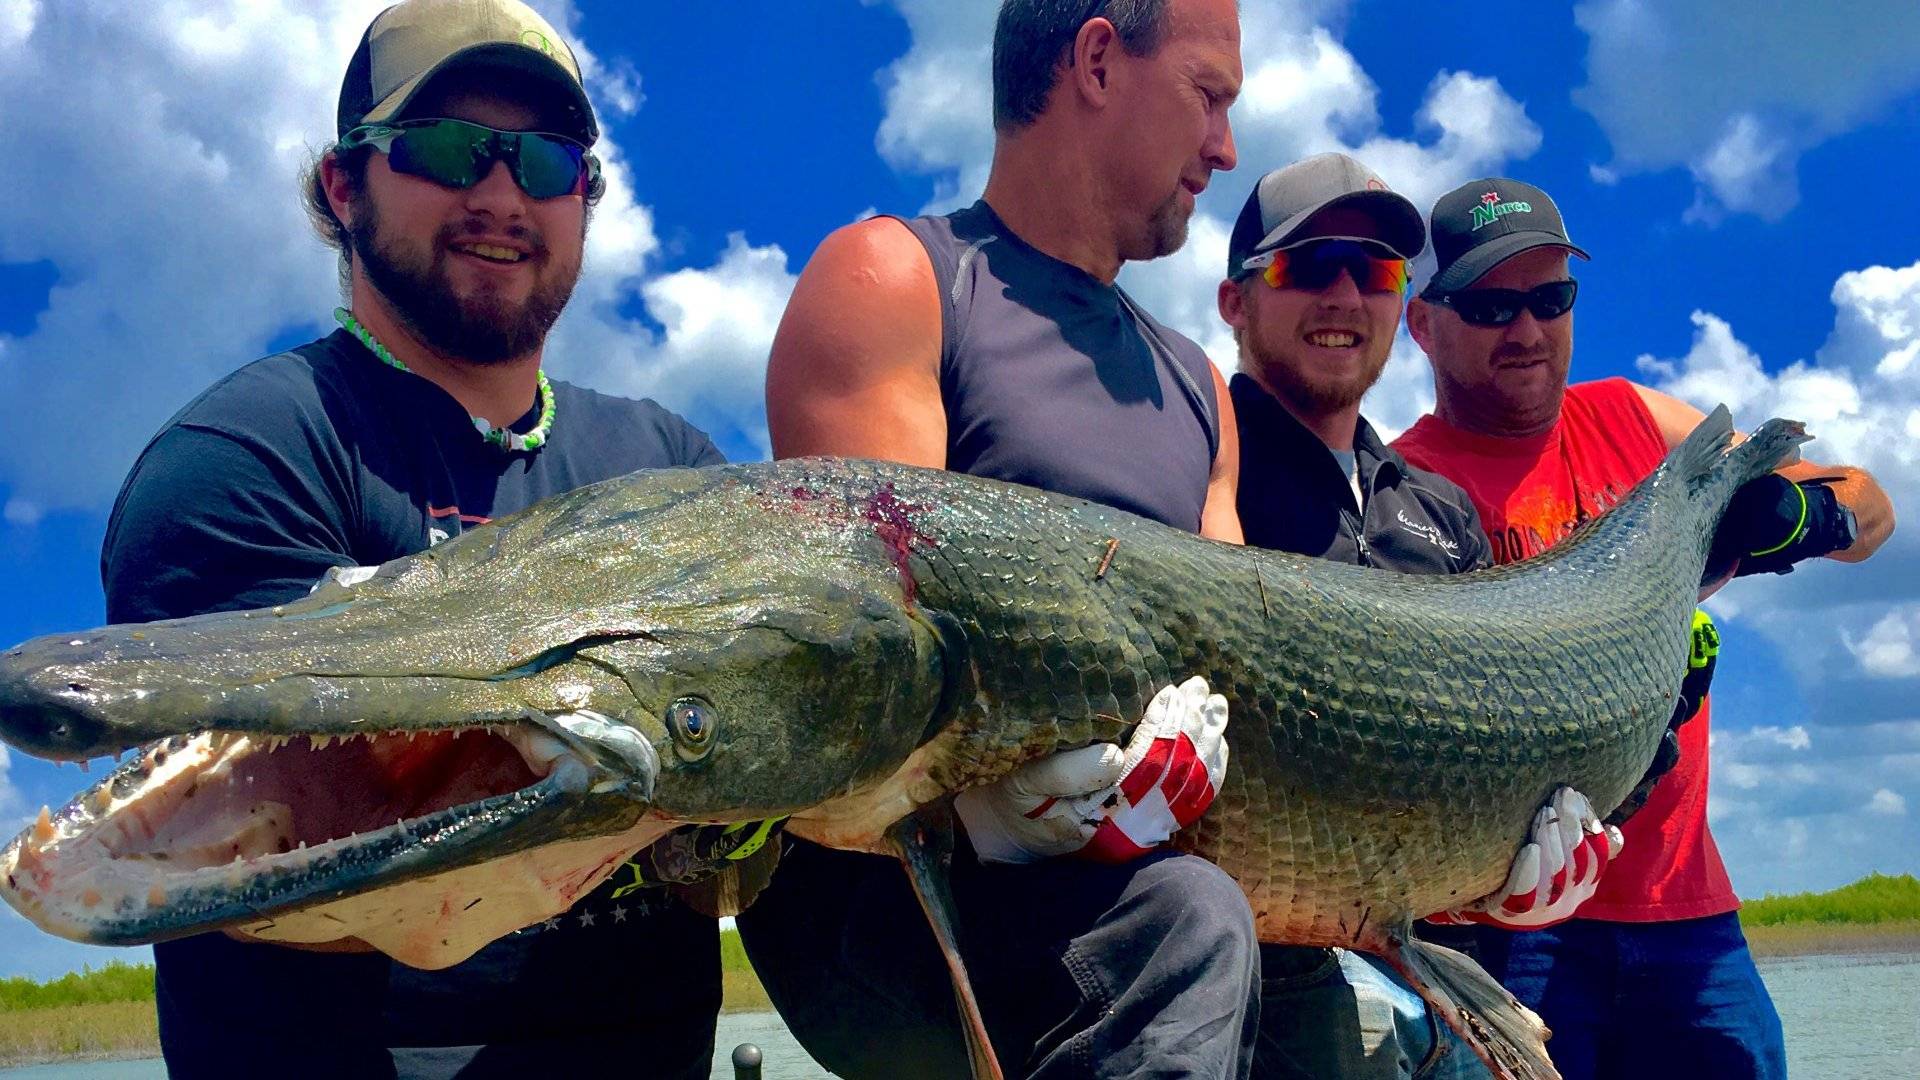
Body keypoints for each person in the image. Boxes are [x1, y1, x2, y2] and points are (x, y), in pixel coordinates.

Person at [99, 2, 730, 1075]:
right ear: (344, 186)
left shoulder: (675, 463)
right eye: (446, 149)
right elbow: (288, 850)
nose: (499, 194)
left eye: (544, 162)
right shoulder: (244, 458)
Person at [741, 1, 1259, 1077]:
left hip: (1127, 890)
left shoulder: (1203, 389)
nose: (1227, 148)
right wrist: (990, 811)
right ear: (1100, 61)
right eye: (1208, 97)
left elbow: (1240, 678)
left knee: (1211, 918)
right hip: (899, 899)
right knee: (1192, 916)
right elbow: (866, 662)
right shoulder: (900, 280)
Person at [1396, 176, 1897, 1080]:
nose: (1526, 329)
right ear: (1421, 323)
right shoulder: (1394, 489)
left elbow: (1873, 508)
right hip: (1512, 928)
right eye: (1489, 304)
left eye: (1551, 299)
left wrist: (1795, 518)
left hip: (1689, 917)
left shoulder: (1636, 420)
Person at [1219, 154, 1616, 1080]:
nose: (1348, 295)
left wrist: (1522, 873)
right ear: (1236, 302)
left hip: (1433, 966)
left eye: (1380, 271)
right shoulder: (1196, 466)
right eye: (1310, 265)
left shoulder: (1438, 510)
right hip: (1259, 984)